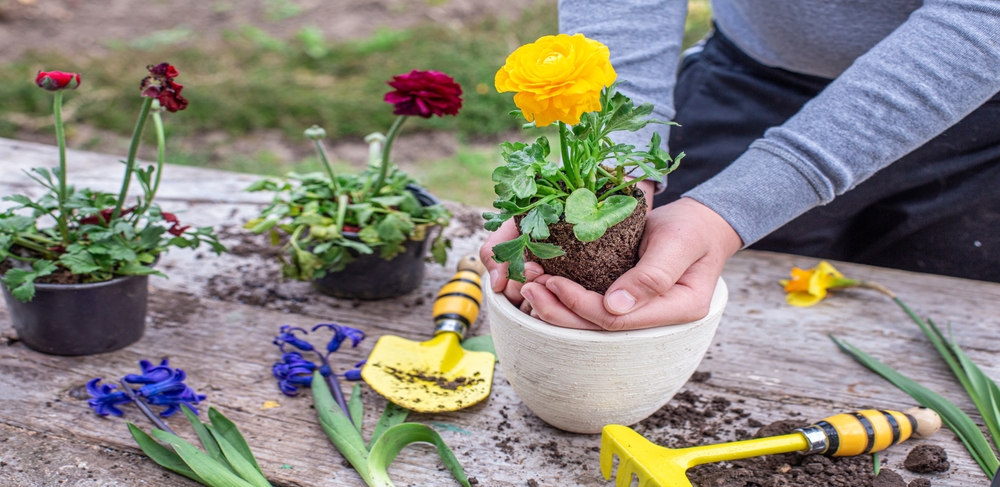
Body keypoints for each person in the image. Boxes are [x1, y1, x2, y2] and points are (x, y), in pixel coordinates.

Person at [480, 0, 1000, 331]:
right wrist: (619, 163)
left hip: (970, 103)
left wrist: (731, 211)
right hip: (748, 78)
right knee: (722, 308)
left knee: (936, 325)